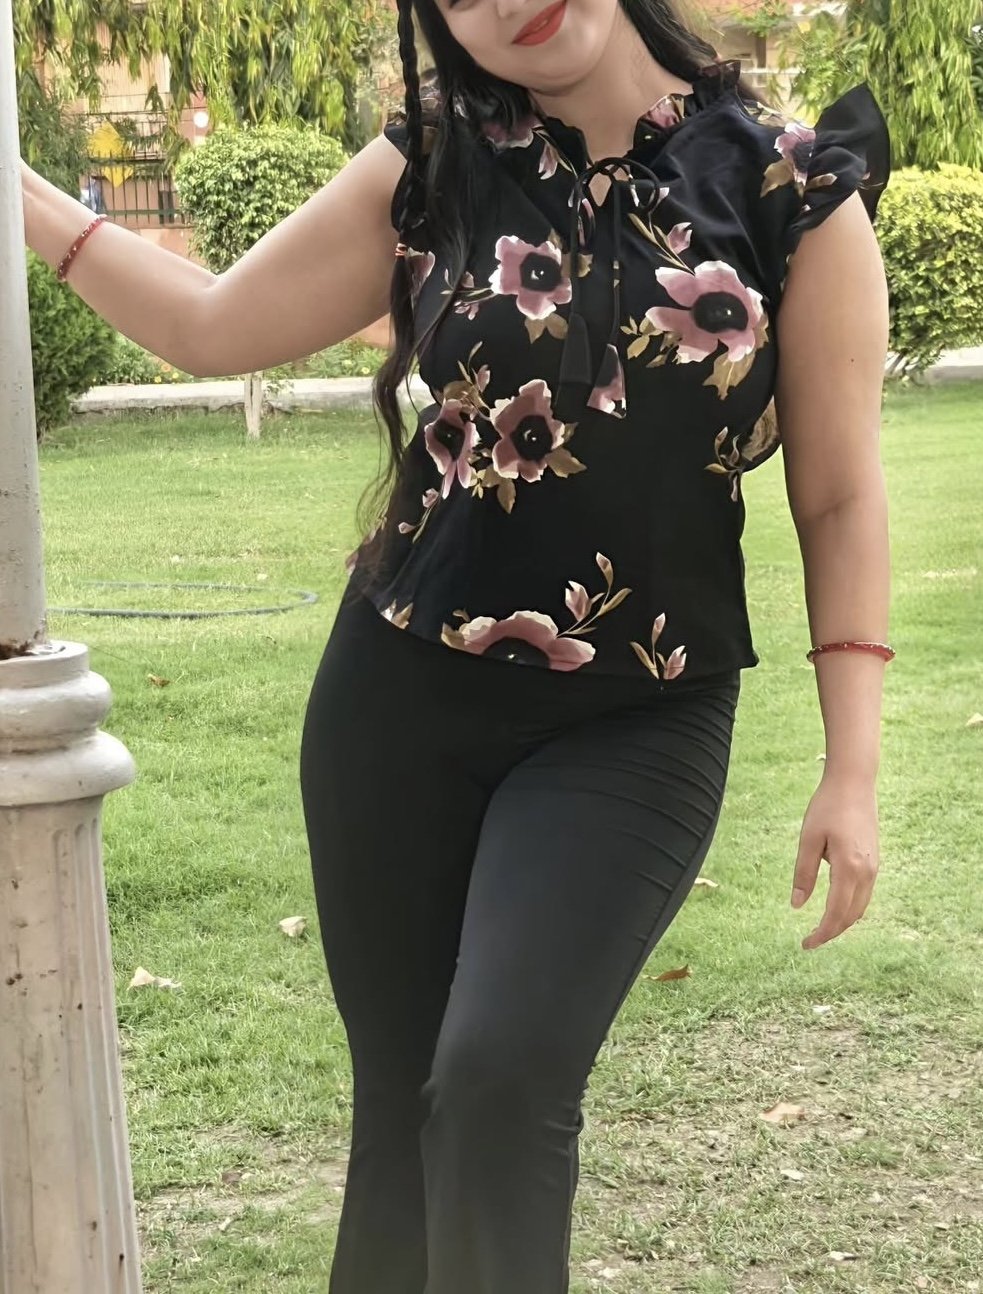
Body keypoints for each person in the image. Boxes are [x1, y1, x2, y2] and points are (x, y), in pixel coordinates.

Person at [20, 1, 895, 1289]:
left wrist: (851, 769)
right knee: (402, 1107)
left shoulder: (792, 187)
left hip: (638, 714)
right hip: (398, 699)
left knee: (498, 1078)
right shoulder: (437, 157)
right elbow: (210, 326)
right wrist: (17, 192)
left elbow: (839, 496)